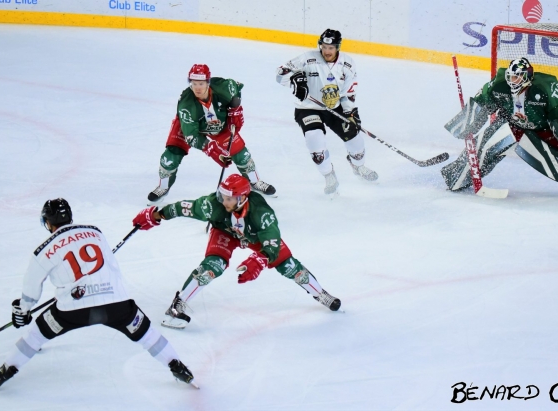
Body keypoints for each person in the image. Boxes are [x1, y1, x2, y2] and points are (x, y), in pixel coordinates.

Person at [0, 199, 195, 394]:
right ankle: (178, 366)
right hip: (117, 305)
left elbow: (31, 289)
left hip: (72, 311)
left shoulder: (43, 250)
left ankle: (4, 372)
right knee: (147, 335)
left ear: (48, 223)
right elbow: (110, 266)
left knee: (36, 334)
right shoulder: (95, 232)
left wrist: (23, 311)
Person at [133, 174, 341, 329]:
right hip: (225, 232)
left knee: (288, 266)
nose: (224, 201)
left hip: (255, 237)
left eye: (229, 198)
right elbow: (182, 208)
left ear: (242, 198)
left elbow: (272, 243)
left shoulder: (261, 213)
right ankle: (178, 305)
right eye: (222, 196)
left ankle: (320, 294)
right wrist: (155, 215)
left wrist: (259, 260)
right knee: (212, 267)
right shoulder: (212, 205)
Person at [442, 57, 558, 201]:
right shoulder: (500, 83)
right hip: (509, 124)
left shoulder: (544, 87)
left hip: (536, 132)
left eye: (517, 77)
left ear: (526, 77)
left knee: (550, 163)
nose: (512, 81)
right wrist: (466, 123)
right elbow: (483, 100)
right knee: (483, 145)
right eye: (511, 76)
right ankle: (456, 176)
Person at [147, 64, 276, 203]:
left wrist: (235, 108)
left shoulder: (222, 87)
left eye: (201, 83)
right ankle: (163, 187)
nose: (197, 87)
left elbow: (237, 88)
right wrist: (212, 150)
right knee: (170, 157)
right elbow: (191, 136)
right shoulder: (186, 103)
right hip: (190, 127)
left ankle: (255, 181)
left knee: (242, 155)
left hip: (218, 124)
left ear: (208, 82)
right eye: (194, 83)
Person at [275, 29, 378, 196]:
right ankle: (329, 175)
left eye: (331, 48)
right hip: (308, 108)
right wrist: (295, 82)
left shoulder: (348, 64)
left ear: (337, 47)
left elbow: (348, 93)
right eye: (324, 47)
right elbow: (280, 74)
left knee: (355, 140)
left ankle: (358, 166)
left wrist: (350, 113)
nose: (327, 51)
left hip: (335, 107)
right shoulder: (307, 58)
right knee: (314, 141)